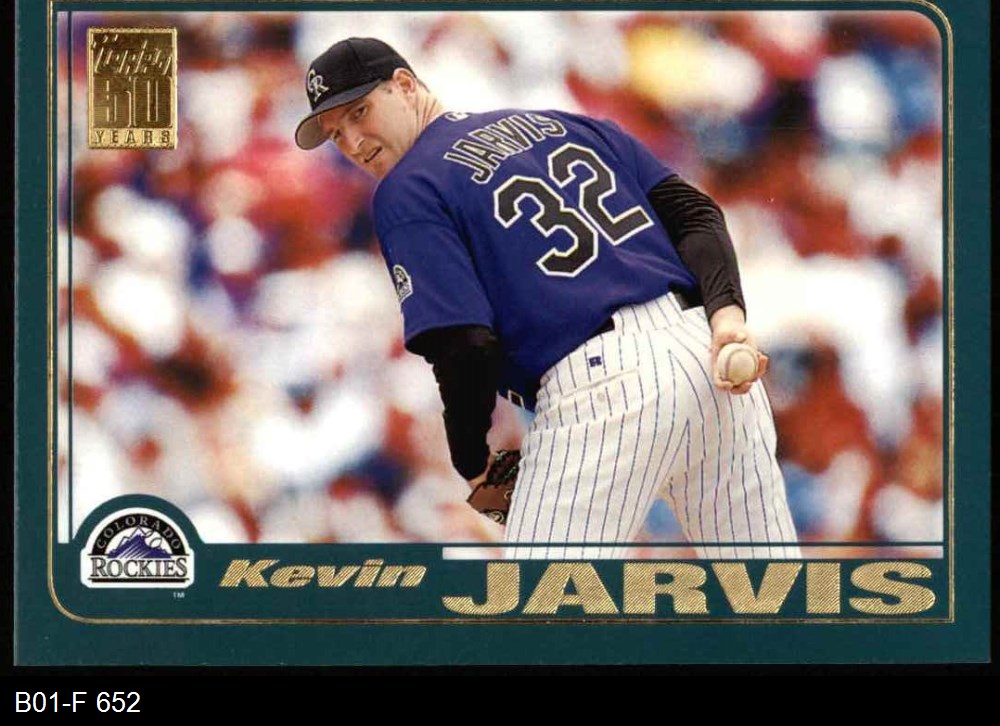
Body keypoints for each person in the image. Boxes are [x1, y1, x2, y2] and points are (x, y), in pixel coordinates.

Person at [295, 37, 800, 559]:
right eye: (336, 133)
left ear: (405, 85)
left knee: (540, 606)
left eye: (360, 112)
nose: (353, 141)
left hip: (605, 387)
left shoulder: (409, 185)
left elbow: (463, 344)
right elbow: (694, 212)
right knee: (769, 594)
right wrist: (726, 315)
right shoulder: (564, 124)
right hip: (707, 354)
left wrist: (472, 461)